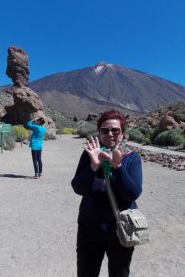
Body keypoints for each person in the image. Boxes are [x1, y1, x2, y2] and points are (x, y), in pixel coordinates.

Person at [71, 110, 143, 277]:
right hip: (89, 229)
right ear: (99, 132)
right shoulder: (90, 154)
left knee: (119, 273)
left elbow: (132, 193)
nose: (110, 134)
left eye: (115, 130)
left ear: (123, 134)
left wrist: (117, 167)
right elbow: (78, 188)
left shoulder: (131, 158)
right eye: (105, 130)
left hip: (121, 230)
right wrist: (93, 166)